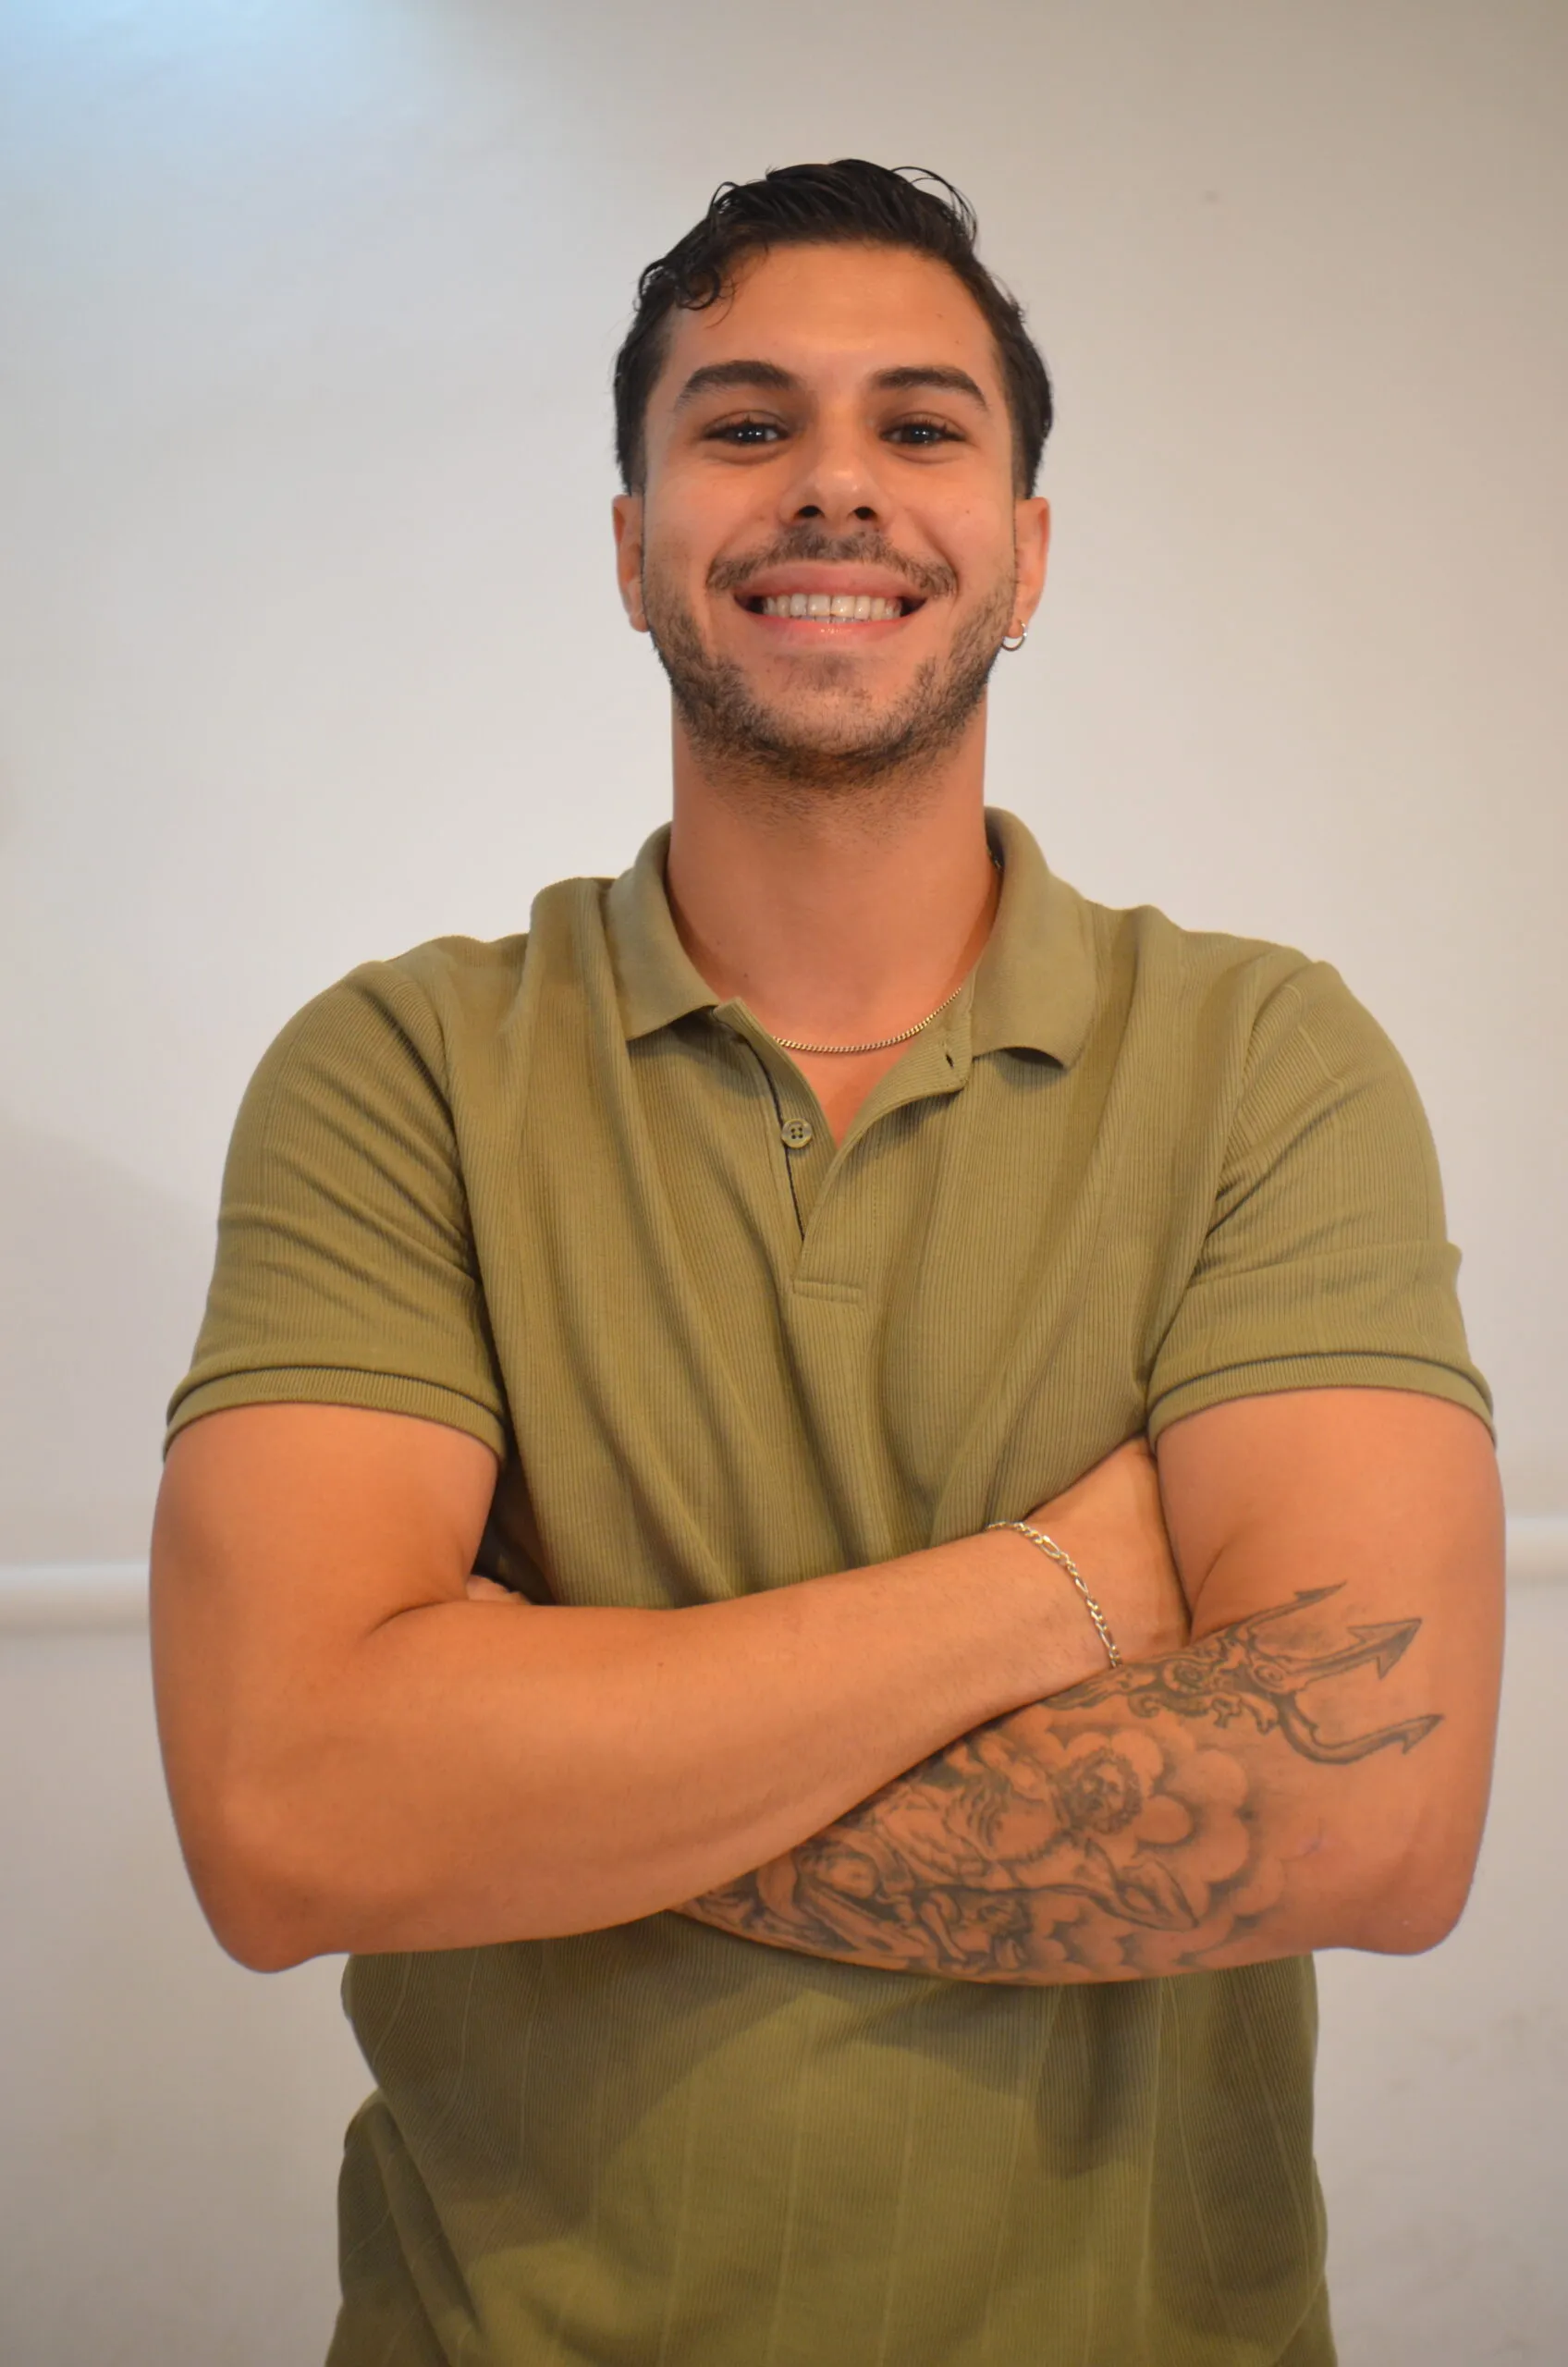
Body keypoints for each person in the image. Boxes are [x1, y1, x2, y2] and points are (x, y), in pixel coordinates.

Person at [150, 161, 1503, 2367]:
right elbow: (288, 1815)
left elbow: (1369, 1810)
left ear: (1025, 552)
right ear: (631, 542)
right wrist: (1052, 1593)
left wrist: (528, 1784)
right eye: (747, 421)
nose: (835, 483)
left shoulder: (1261, 1056)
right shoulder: (402, 1070)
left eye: (918, 423)